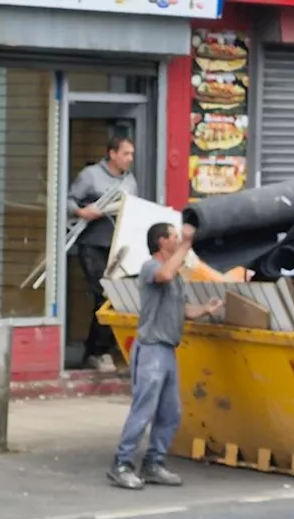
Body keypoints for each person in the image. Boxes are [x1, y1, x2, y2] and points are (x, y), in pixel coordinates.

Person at [107, 222, 223, 490]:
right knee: (144, 409)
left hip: (167, 350)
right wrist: (187, 244)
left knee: (170, 412)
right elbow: (165, 276)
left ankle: (153, 463)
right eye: (173, 236)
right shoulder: (150, 268)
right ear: (161, 242)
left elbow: (185, 310)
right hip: (151, 349)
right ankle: (121, 463)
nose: (177, 239)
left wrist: (206, 308)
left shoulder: (176, 276)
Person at [67, 136, 139, 372]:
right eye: (126, 154)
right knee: (103, 296)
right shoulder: (90, 175)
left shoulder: (130, 182)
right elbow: (67, 200)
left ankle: (98, 350)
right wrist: (80, 211)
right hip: (93, 245)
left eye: (131, 154)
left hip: (118, 248)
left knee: (116, 298)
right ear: (112, 154)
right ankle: (98, 352)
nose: (130, 159)